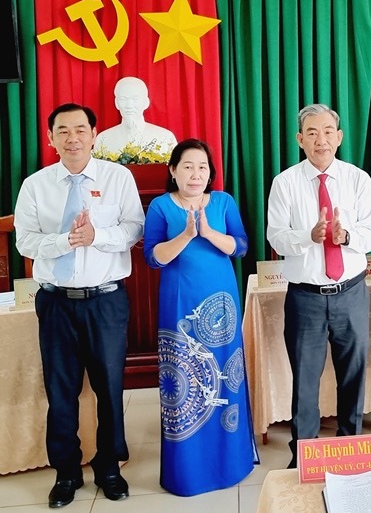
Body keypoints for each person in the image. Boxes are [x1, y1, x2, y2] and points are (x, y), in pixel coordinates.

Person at [14, 103, 144, 507]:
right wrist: (65, 241)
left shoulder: (117, 177)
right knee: (61, 390)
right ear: (50, 138)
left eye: (80, 130)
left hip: (105, 300)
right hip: (55, 303)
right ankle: (66, 472)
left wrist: (96, 236)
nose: (73, 138)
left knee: (109, 388)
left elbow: (133, 228)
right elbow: (25, 241)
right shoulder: (35, 185)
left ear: (93, 134)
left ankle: (109, 468)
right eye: (63, 131)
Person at [267, 104, 371, 468]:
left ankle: (350, 445)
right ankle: (304, 453)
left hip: (351, 293)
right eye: (312, 133)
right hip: (306, 298)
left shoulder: (358, 179)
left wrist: (343, 235)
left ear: (340, 137)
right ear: (300, 140)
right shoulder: (285, 183)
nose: (322, 140)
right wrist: (309, 235)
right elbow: (276, 236)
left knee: (353, 373)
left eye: (329, 131)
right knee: (305, 378)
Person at [142, 139, 258, 495]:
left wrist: (208, 232)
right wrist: (187, 235)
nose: (196, 174)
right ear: (173, 170)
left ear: (210, 173)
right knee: (184, 385)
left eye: (203, 167)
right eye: (188, 166)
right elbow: (153, 257)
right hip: (179, 306)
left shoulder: (223, 202)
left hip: (221, 302)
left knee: (227, 380)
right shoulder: (162, 206)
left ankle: (232, 463)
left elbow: (240, 247)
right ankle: (188, 473)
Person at [95, 77, 177, 157]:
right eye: (123, 99)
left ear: (146, 102)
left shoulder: (165, 138)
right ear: (116, 103)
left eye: (135, 99)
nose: (129, 105)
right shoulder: (103, 139)